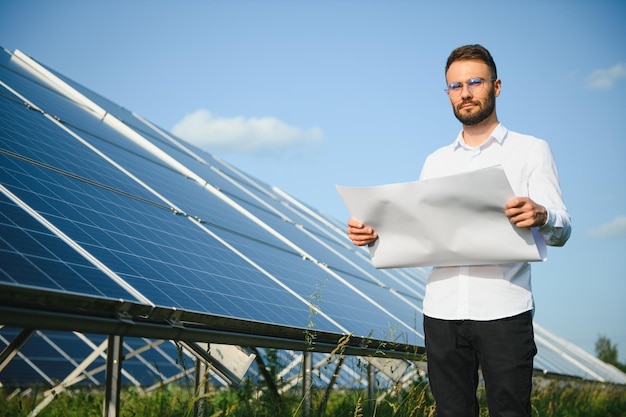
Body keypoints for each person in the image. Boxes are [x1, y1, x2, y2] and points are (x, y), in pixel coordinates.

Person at [347, 44, 571, 417]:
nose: (465, 93)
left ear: (496, 87)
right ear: (448, 93)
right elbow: (420, 234)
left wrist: (543, 215)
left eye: (474, 82)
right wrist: (376, 235)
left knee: (511, 411)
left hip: (504, 308)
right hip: (441, 311)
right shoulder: (436, 161)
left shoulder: (531, 150)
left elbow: (562, 229)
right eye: (455, 86)